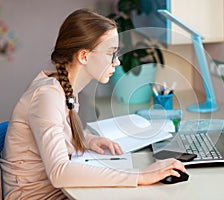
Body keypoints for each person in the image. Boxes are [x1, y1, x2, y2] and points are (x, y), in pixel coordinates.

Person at [0, 9, 186, 199]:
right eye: (111, 53)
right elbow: (60, 173)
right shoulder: (46, 97)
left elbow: (56, 132)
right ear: (84, 56)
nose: (117, 62)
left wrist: (87, 139)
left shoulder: (64, 89)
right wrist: (141, 175)